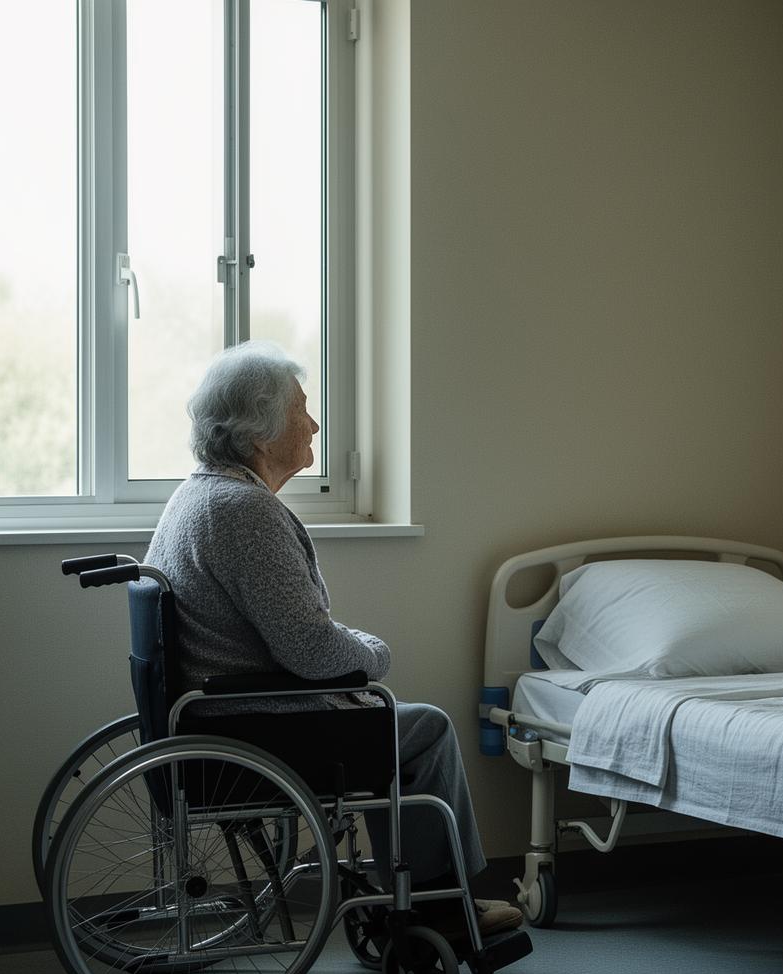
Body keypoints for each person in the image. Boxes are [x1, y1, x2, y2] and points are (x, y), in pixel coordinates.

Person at [145, 339, 522, 938]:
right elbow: (312, 651)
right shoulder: (243, 511)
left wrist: (340, 642)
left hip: (223, 716)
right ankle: (439, 904)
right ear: (262, 434)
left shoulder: (199, 496)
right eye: (301, 409)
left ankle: (422, 895)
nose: (314, 422)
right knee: (424, 728)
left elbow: (295, 632)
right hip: (259, 726)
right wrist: (374, 654)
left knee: (390, 719)